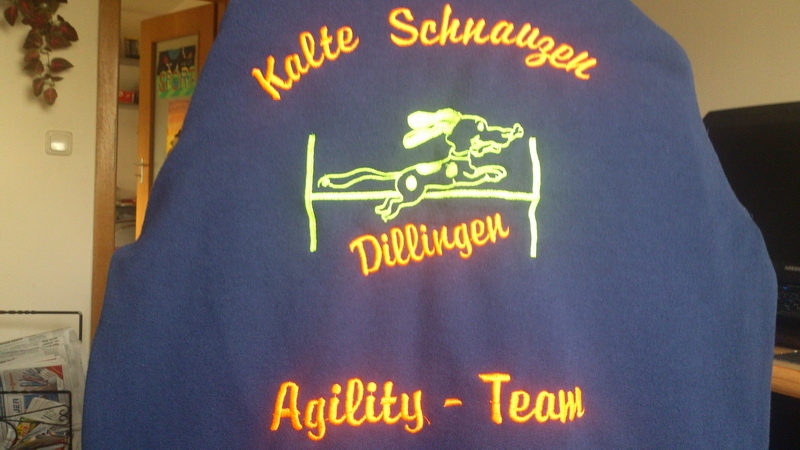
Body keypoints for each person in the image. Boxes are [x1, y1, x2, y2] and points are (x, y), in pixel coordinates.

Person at [84, 1, 776, 448]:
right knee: (368, 185)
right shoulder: (640, 62)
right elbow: (721, 286)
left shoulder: (261, 38)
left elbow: (167, 305)